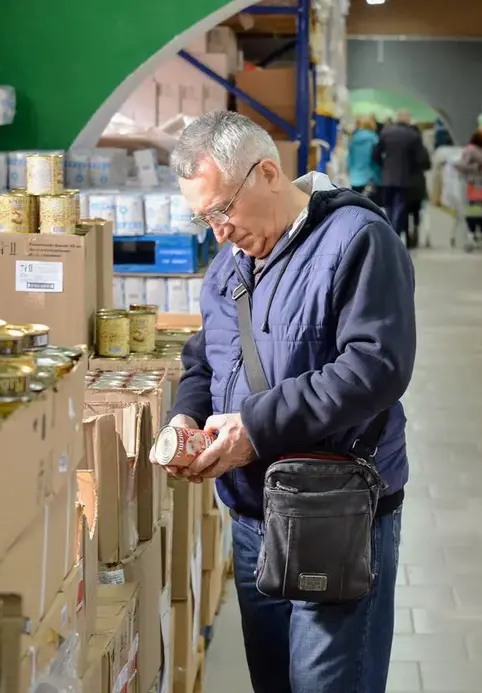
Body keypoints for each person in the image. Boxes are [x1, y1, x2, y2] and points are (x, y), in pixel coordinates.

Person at [162, 110, 415, 693]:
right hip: (253, 514)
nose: (217, 232)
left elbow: (376, 366)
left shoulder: (358, 239)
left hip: (335, 513)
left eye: (222, 210)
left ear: (268, 174)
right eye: (204, 218)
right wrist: (188, 416)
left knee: (328, 683)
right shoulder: (230, 262)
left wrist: (254, 426)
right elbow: (207, 356)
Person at [373, 109, 430, 246]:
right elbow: (420, 159)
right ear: (408, 119)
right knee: (400, 206)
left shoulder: (386, 133)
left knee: (389, 207)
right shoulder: (412, 135)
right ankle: (395, 234)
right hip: (405, 178)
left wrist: (384, 166)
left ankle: (389, 231)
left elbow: (375, 154)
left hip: (387, 177)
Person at [348, 115, 380, 199]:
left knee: (356, 203)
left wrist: (350, 170)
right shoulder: (374, 138)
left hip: (355, 176)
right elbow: (376, 159)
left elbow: (349, 158)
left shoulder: (353, 138)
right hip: (369, 176)